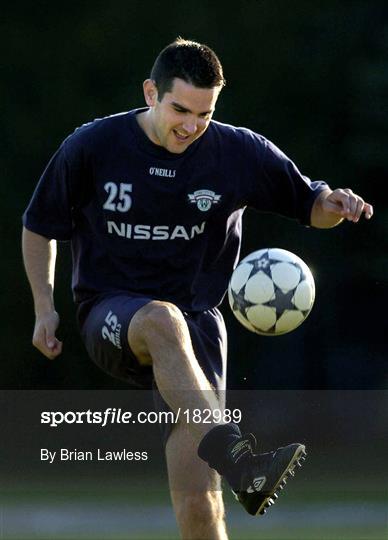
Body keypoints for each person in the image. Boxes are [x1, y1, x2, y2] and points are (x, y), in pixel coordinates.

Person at [22, 37, 373, 540]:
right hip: (112, 313)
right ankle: (240, 458)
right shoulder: (94, 146)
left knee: (201, 502)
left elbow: (310, 204)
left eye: (204, 114)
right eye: (180, 109)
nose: (191, 125)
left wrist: (334, 204)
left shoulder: (236, 151)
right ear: (151, 93)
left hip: (199, 324)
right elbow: (40, 225)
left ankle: (228, 460)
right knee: (161, 318)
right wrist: (43, 306)